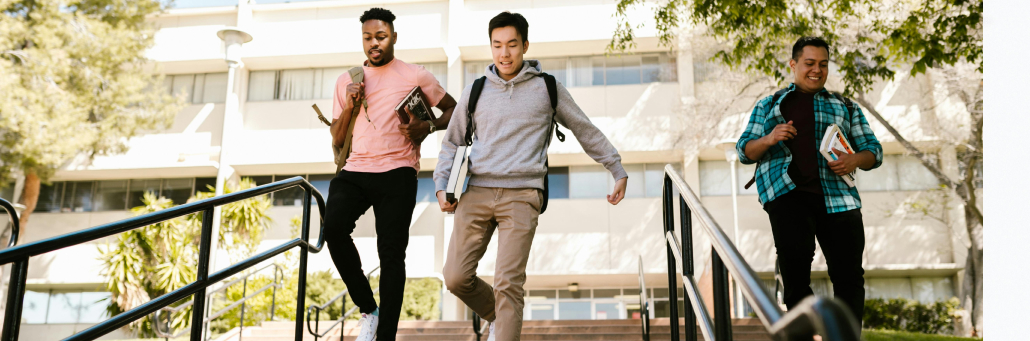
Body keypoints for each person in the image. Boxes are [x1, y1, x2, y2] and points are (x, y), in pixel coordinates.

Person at [433, 11, 628, 341]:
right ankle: (498, 316)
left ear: (525, 45)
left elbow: (584, 129)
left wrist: (616, 168)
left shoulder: (547, 88)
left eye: (511, 45)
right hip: (475, 192)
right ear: (491, 47)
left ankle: (506, 323)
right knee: (455, 277)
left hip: (523, 195)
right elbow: (452, 142)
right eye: (497, 45)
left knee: (508, 284)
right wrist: (440, 186)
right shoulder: (476, 90)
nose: (504, 53)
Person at [323, 7, 457, 341]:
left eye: (381, 37)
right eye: (368, 38)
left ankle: (386, 336)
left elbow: (453, 109)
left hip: (398, 171)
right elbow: (338, 138)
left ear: (394, 37)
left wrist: (427, 127)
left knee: (391, 253)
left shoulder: (415, 75)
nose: (374, 44)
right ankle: (369, 309)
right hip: (354, 170)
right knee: (334, 229)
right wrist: (352, 105)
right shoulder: (348, 80)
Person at [736, 36, 882, 320]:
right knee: (796, 277)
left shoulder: (846, 107)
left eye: (823, 64)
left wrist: (855, 159)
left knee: (849, 277)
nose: (817, 70)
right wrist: (770, 138)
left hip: (840, 200)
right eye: (809, 63)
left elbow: (874, 151)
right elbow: (744, 151)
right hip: (788, 196)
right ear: (794, 64)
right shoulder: (769, 105)